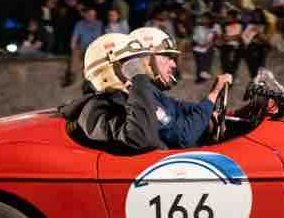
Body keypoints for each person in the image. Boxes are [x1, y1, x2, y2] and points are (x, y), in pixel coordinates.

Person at [61, 28, 233, 153]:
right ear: (110, 69)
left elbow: (181, 109)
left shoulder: (135, 97)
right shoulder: (97, 109)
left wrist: (207, 120)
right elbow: (146, 137)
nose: (140, 67)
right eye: (131, 63)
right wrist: (139, 78)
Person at [191, 12, 219, 83]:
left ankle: (205, 73)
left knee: (207, 60)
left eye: (205, 19)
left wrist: (209, 44)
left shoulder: (214, 28)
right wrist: (199, 43)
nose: (203, 20)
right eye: (202, 18)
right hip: (198, 47)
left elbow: (214, 38)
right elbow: (195, 38)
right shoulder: (198, 28)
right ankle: (200, 76)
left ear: (209, 20)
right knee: (199, 62)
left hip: (209, 47)